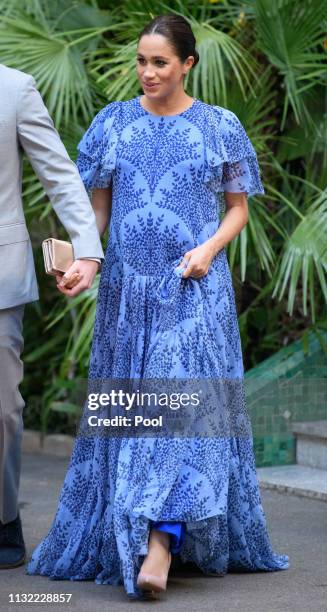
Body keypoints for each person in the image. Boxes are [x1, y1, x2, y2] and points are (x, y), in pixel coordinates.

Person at [26, 14, 289, 599]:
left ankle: (160, 545)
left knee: (177, 415)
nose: (147, 72)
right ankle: (149, 530)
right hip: (128, 297)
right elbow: (95, 216)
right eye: (142, 62)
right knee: (141, 414)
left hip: (194, 292)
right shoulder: (111, 125)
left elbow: (238, 210)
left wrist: (209, 250)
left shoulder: (219, 126)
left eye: (160, 62)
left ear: (187, 64)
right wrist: (83, 264)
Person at [0, 63, 104, 570]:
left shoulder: (14, 89)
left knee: (2, 408)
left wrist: (87, 248)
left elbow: (59, 172)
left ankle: (1, 515)